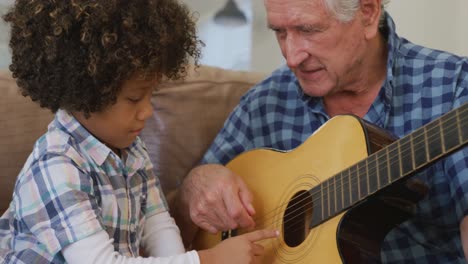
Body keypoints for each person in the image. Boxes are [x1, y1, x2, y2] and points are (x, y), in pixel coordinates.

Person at [170, 0, 468, 262]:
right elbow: (176, 227)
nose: (291, 57)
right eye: (280, 32)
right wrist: (194, 188)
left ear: (367, 13)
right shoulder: (263, 104)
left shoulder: (452, 87)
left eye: (308, 30)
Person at [0, 1, 278, 263]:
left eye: (151, 96)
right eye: (134, 99)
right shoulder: (56, 167)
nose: (147, 111)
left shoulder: (132, 150)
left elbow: (158, 224)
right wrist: (211, 259)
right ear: (86, 95)